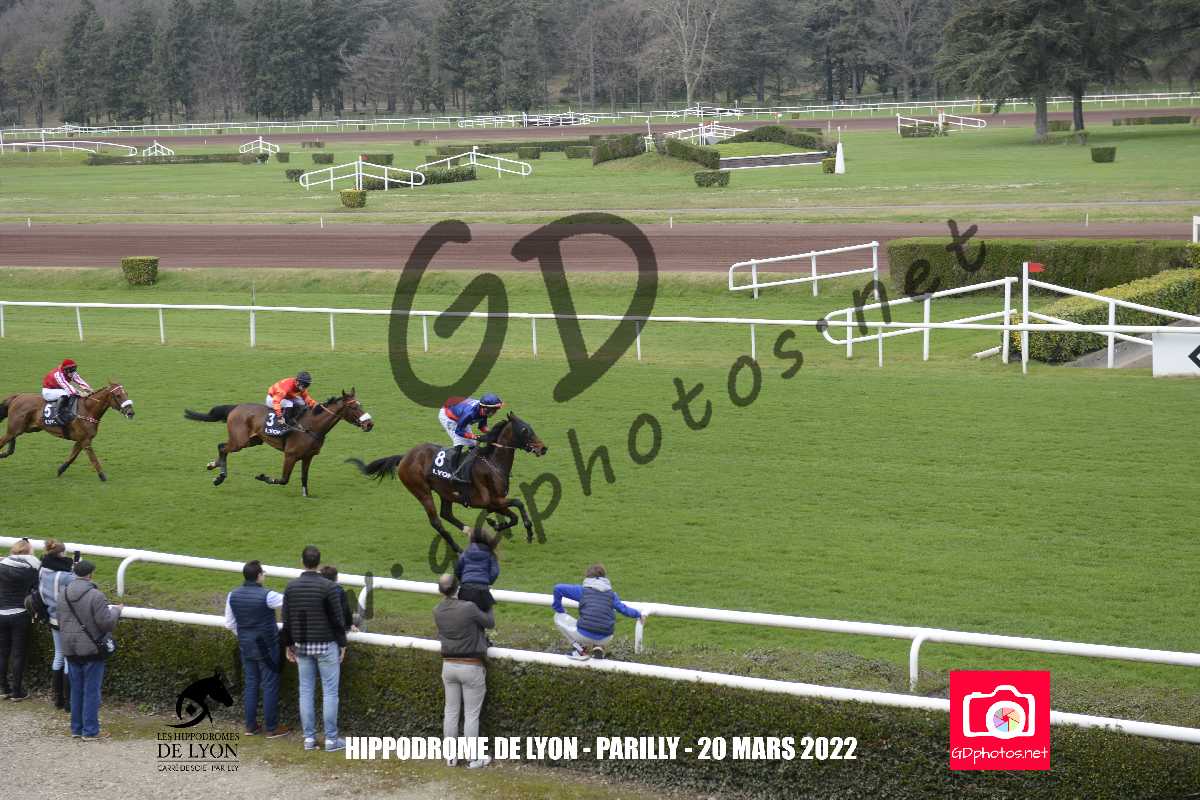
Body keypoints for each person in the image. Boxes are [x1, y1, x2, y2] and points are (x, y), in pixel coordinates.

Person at [281, 545, 347, 753]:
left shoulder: (291, 587)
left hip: (302, 645)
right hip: (326, 644)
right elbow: (337, 619)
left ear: (302, 562)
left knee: (306, 691)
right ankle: (331, 739)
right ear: (318, 563)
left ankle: (309, 738)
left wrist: (288, 645)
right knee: (330, 692)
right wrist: (343, 644)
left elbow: (286, 619)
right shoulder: (329, 587)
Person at [433, 574, 493, 769]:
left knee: (450, 711)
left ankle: (451, 757)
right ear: (457, 588)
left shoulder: (437, 610)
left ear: (440, 590)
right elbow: (489, 622)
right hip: (471, 666)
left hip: (448, 666)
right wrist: (487, 601)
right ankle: (473, 758)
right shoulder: (468, 608)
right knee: (471, 715)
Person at [224, 560, 290, 738]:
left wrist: (245, 636)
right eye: (263, 573)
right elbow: (289, 600)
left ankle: (250, 726)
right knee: (269, 685)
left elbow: (229, 623)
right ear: (259, 576)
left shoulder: (232, 595)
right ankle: (272, 728)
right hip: (267, 647)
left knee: (251, 684)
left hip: (246, 646)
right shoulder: (268, 595)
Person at [59, 560, 122, 739]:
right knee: (91, 691)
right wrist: (116, 611)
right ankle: (90, 731)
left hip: (70, 647)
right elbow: (106, 623)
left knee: (76, 690)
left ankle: (76, 729)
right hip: (91, 648)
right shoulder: (96, 595)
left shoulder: (63, 593)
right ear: (90, 574)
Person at [551, 564, 645, 660]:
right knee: (600, 621)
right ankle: (598, 647)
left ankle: (580, 650)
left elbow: (558, 588)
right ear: (604, 577)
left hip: (584, 635)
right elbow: (624, 609)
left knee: (558, 616)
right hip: (606, 638)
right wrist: (638, 614)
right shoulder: (612, 595)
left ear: (588, 577)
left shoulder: (583, 591)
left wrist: (559, 609)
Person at [0, 539, 40, 701]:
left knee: (3, 653)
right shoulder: (31, 570)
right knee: (18, 654)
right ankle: (17, 691)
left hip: (1, 614)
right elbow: (36, 590)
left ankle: (3, 688)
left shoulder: (2, 566)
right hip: (20, 615)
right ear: (28, 552)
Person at [38, 539, 76, 712]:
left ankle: (58, 699)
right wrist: (75, 567)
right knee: (68, 657)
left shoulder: (42, 569)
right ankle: (68, 701)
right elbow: (80, 581)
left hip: (52, 618)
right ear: (61, 554)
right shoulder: (65, 576)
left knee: (58, 655)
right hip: (66, 620)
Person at [438, 393, 504, 482]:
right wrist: (476, 437)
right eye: (494, 410)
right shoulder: (470, 414)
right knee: (459, 443)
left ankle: (472, 465)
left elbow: (482, 427)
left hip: (460, 414)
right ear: (486, 408)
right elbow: (459, 431)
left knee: (472, 444)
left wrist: (492, 433)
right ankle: (452, 473)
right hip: (448, 416)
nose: (495, 412)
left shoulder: (483, 411)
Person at [454, 530, 499, 613]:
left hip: (465, 590)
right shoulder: (490, 554)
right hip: (482, 591)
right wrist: (487, 581)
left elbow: (457, 569)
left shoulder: (465, 553)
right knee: (483, 617)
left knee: (465, 616)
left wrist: (463, 580)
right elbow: (495, 572)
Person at [41, 358, 93, 424]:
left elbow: (79, 380)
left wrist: (88, 389)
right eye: (70, 370)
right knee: (67, 393)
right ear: (65, 370)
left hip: (58, 389)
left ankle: (68, 409)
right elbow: (67, 387)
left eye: (73, 369)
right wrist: (80, 393)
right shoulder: (58, 374)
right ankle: (57, 415)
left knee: (70, 392)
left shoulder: (70, 372)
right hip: (48, 391)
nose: (72, 372)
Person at [318, 565, 358, 633]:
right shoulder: (339, 590)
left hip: (317, 624)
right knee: (358, 618)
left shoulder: (315, 589)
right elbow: (346, 610)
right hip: (336, 627)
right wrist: (350, 624)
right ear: (336, 578)